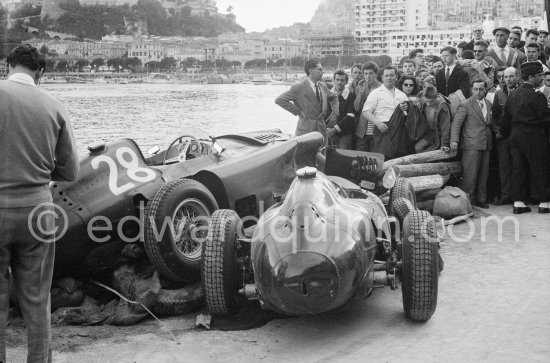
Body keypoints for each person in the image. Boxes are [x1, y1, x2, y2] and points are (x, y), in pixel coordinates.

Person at [0, 44, 79, 362]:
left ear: (7, 66)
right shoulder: (54, 106)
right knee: (36, 299)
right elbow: (70, 171)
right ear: (41, 73)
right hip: (37, 211)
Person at [501, 61, 550, 214]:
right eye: (539, 75)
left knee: (518, 168)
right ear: (531, 77)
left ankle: (518, 202)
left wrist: (504, 132)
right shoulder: (537, 95)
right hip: (533, 134)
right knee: (540, 167)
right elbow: (545, 118)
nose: (542, 78)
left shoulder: (513, 93)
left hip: (515, 135)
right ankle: (545, 203)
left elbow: (505, 118)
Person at [450, 79, 494, 209]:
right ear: (471, 90)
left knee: (484, 173)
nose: (478, 92)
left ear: (485, 90)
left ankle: (481, 199)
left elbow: (489, 122)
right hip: (471, 144)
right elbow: (456, 124)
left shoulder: (488, 103)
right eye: (476, 89)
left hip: (486, 143)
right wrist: (454, 140)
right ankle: (467, 201)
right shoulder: (465, 104)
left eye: (481, 89)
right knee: (470, 174)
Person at [275, 59, 339, 138]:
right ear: (311, 71)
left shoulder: (323, 86)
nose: (322, 72)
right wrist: (298, 111)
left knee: (322, 150)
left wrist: (335, 114)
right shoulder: (298, 87)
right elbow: (279, 100)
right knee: (305, 150)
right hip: (305, 130)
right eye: (319, 69)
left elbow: (334, 97)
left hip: (321, 129)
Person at [363, 66, 409, 158]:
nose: (389, 78)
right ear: (382, 77)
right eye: (386, 75)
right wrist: (378, 123)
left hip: (399, 131)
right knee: (381, 158)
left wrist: (407, 108)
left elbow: (407, 114)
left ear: (396, 77)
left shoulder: (402, 94)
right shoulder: (375, 93)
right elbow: (366, 111)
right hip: (383, 129)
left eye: (392, 75)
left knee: (398, 158)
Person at [491, 67, 519, 205]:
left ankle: (518, 196)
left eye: (511, 76)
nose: (508, 79)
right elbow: (494, 115)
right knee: (504, 167)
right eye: (506, 77)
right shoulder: (499, 94)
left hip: (518, 136)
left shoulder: (521, 93)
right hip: (503, 137)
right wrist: (498, 132)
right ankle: (505, 195)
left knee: (519, 166)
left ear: (517, 77)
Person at [414, 85, 451, 153]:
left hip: (439, 135)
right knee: (418, 148)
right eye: (427, 101)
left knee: (431, 152)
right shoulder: (423, 101)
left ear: (436, 97)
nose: (429, 104)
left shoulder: (442, 107)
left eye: (431, 101)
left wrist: (444, 144)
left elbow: (445, 127)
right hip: (429, 133)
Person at [354, 61, 381, 151]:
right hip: (362, 131)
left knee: (375, 160)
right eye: (365, 73)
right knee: (360, 159)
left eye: (371, 73)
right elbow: (357, 108)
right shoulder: (360, 88)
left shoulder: (382, 88)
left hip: (377, 130)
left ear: (376, 74)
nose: (368, 76)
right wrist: (361, 92)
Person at [327, 70, 356, 149]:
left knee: (342, 157)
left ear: (346, 82)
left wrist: (335, 129)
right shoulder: (327, 94)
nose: (339, 82)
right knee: (327, 157)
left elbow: (350, 116)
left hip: (344, 133)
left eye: (342, 80)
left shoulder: (351, 96)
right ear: (334, 80)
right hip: (328, 131)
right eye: (337, 80)